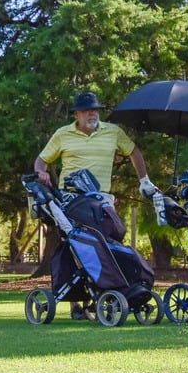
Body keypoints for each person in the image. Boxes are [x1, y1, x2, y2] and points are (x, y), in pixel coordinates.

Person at [33, 90, 157, 319]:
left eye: (96, 110)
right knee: (80, 245)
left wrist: (144, 181)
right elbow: (41, 161)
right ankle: (77, 305)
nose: (93, 113)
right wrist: (41, 173)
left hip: (102, 199)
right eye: (88, 110)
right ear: (77, 114)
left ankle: (111, 291)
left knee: (110, 242)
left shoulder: (113, 132)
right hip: (72, 199)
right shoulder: (63, 134)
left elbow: (134, 152)